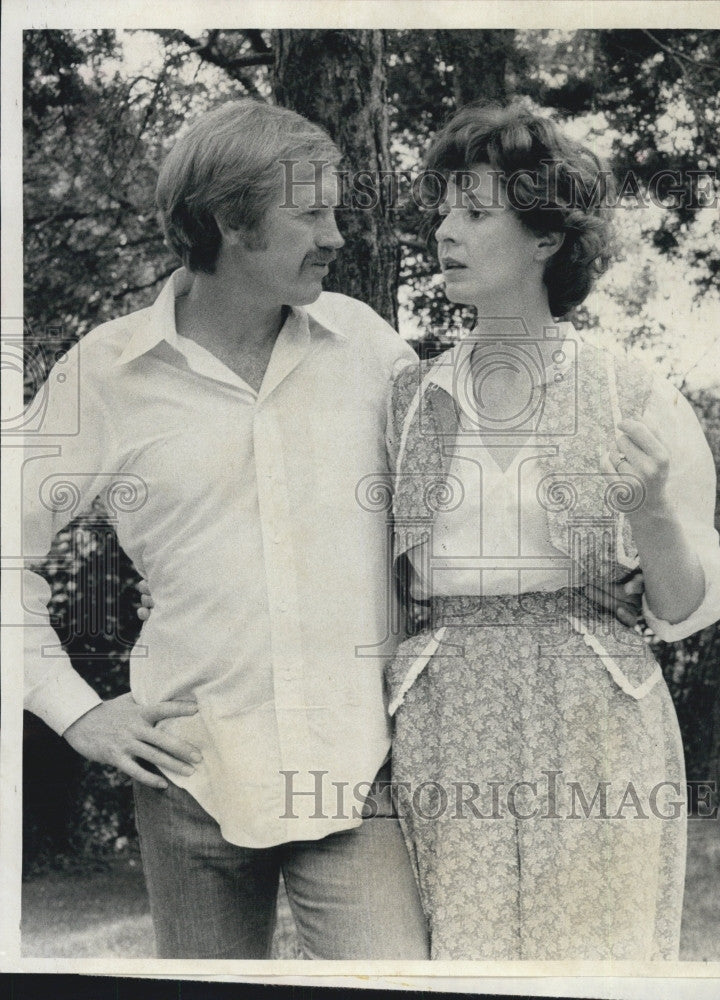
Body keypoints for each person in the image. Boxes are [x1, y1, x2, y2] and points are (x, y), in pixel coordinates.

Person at [22, 99, 430, 960]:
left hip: (356, 772)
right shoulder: (106, 372)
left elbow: (452, 513)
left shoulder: (368, 348)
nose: (335, 235)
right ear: (226, 222)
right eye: (310, 211)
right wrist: (73, 712)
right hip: (191, 778)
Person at [383, 101, 720, 961]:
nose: (444, 231)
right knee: (461, 963)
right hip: (444, 713)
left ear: (545, 239)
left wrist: (649, 512)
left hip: (595, 715)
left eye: (474, 212)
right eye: (443, 210)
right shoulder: (406, 399)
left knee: (595, 961)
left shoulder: (628, 389)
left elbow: (688, 603)